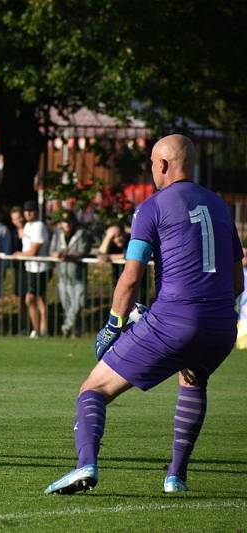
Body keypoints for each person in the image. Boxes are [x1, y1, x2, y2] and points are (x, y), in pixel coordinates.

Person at [45, 134, 244, 495]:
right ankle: (175, 477)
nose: (152, 170)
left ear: (163, 165)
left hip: (173, 321)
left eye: (153, 163)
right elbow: (237, 281)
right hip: (221, 327)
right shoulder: (219, 206)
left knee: (93, 388)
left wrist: (113, 325)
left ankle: (85, 464)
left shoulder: (152, 207)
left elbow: (130, 278)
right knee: (193, 380)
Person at [49, 211, 92, 337]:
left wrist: (69, 256)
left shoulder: (82, 234)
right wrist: (56, 254)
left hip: (78, 275)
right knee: (67, 306)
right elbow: (52, 250)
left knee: (78, 304)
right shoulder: (57, 234)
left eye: (68, 222)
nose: (66, 225)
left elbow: (84, 250)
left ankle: (66, 327)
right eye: (64, 222)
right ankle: (74, 332)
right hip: (62, 276)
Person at [13, 200, 50, 338]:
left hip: (39, 268)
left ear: (36, 212)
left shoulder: (39, 226)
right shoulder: (28, 226)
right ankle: (37, 330)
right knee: (35, 300)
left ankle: (41, 330)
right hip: (30, 267)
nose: (28, 213)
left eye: (31, 210)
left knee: (34, 299)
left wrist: (18, 255)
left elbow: (34, 250)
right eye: (26, 210)